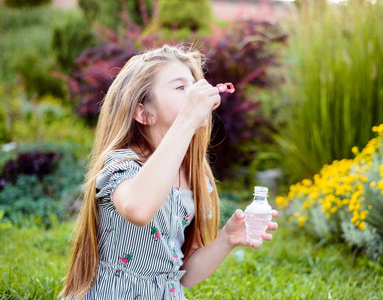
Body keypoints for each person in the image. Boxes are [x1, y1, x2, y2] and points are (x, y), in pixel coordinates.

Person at [59, 44, 278, 300]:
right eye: (180, 87)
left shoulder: (195, 176)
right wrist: (187, 120)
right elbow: (138, 209)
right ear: (143, 112)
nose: (195, 92)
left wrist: (225, 240)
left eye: (194, 84)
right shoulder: (122, 164)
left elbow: (184, 274)